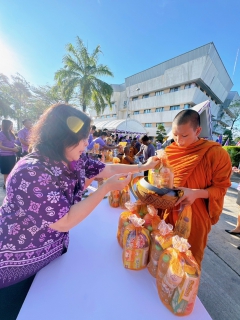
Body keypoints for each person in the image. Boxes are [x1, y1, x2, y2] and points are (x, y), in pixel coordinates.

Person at [0, 104, 159, 296]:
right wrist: (106, 188)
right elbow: (64, 221)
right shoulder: (31, 171)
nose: (87, 143)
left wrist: (144, 166)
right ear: (63, 137)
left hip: (50, 259)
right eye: (83, 138)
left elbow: (108, 169)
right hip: (16, 267)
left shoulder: (72, 159)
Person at [164, 109, 232, 266]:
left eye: (185, 135)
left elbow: (221, 188)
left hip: (195, 215)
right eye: (175, 134)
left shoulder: (215, 153)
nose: (179, 140)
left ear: (198, 131)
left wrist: (195, 193)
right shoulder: (170, 151)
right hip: (168, 211)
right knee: (165, 254)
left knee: (188, 261)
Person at [0, 119, 19, 189]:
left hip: (12, 155)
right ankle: (6, 185)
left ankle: (10, 184)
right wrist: (11, 149)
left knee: (12, 170)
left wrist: (16, 147)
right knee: (6, 172)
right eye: (11, 125)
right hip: (5, 156)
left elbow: (11, 143)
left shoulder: (11, 133)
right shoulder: (1, 134)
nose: (12, 126)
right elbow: (0, 146)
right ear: (6, 125)